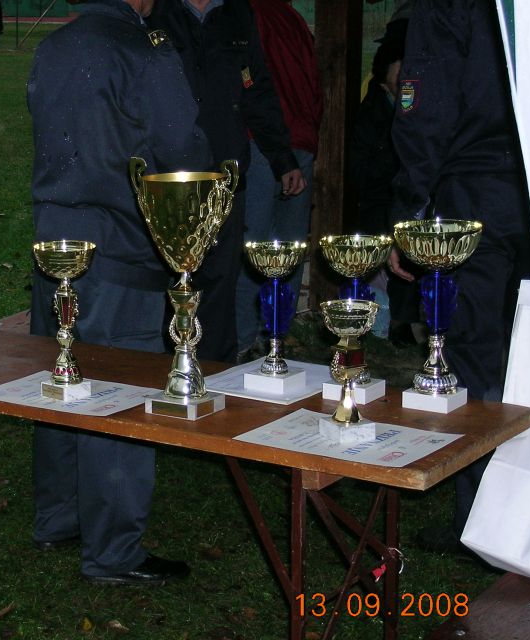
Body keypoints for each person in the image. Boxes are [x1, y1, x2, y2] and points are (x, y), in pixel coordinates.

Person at [27, 0, 213, 584]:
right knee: (121, 393)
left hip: (55, 237)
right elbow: (183, 151)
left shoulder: (55, 46)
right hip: (121, 240)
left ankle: (58, 516)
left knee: (62, 376)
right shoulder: (143, 50)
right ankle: (113, 551)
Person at [387, 0, 530, 553]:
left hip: (479, 194)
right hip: (524, 184)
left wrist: (409, 207)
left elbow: (425, 104)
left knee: (476, 358)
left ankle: (480, 520)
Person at [146, 0, 306, 364]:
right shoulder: (157, 12)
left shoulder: (237, 14)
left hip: (225, 174)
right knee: (173, 280)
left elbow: (257, 90)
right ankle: (171, 370)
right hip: (171, 177)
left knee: (221, 279)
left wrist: (283, 158)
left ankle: (217, 372)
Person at [235, 0, 321, 357]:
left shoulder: (246, 14)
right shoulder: (290, 17)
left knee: (253, 248)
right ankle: (271, 339)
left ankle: (247, 342)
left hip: (264, 143)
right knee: (284, 250)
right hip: (293, 143)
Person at [347, 24, 415, 340]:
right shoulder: (371, 109)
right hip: (376, 203)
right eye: (397, 69)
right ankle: (379, 325)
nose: (403, 77)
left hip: (406, 200)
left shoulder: (413, 107)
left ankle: (404, 323)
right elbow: (360, 169)